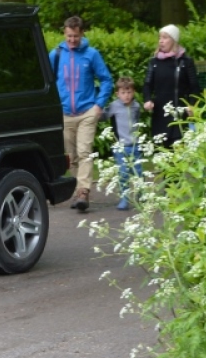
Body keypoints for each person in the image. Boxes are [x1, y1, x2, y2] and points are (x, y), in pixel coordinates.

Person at [50, 16, 113, 212]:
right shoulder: (56, 55)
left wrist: (98, 105)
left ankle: (83, 191)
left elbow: (106, 80)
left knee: (85, 152)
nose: (72, 40)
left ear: (82, 33)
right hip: (65, 113)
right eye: (69, 36)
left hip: (87, 112)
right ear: (64, 33)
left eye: (75, 36)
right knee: (72, 156)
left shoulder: (91, 54)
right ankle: (79, 192)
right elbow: (48, 82)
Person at [141, 24, 200, 147]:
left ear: (174, 40)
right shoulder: (154, 62)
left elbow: (194, 86)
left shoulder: (185, 62)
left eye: (165, 37)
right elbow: (147, 84)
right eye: (160, 37)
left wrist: (192, 105)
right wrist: (147, 100)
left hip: (180, 113)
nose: (161, 41)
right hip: (160, 115)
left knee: (181, 153)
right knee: (163, 154)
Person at [103, 75, 143, 210]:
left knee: (137, 171)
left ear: (134, 92)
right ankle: (124, 198)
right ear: (117, 93)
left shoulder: (136, 106)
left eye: (129, 92)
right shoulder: (114, 106)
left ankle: (140, 195)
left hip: (135, 145)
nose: (126, 95)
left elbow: (138, 120)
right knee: (123, 173)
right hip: (121, 146)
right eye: (123, 93)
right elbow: (104, 116)